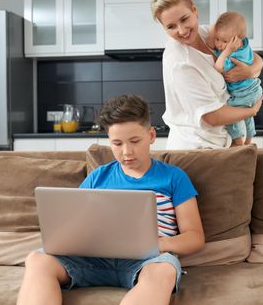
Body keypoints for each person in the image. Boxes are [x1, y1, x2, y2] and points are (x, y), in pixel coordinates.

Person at [16, 94, 205, 305]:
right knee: (37, 259)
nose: (126, 152)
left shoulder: (174, 177)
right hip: (93, 261)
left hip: (148, 261)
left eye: (135, 141)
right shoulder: (98, 177)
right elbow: (73, 226)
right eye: (117, 143)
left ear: (151, 135)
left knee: (164, 271)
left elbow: (195, 237)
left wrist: (159, 244)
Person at [150, 0, 263, 149]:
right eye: (171, 26)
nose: (181, 31)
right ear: (163, 27)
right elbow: (212, 116)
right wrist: (251, 111)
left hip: (219, 146)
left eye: (184, 19)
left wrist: (250, 71)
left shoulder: (206, 34)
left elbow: (254, 57)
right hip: (197, 150)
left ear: (194, 10)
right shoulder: (180, 62)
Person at [209, 11, 263, 146]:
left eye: (224, 41)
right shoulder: (244, 46)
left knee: (230, 114)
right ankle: (250, 138)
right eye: (217, 39)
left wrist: (226, 52)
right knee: (247, 115)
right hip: (254, 89)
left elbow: (218, 68)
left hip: (243, 93)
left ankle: (237, 139)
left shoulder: (232, 56)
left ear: (236, 41)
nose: (219, 45)